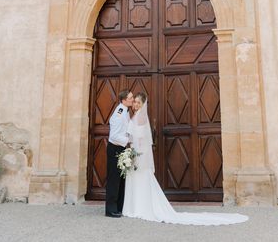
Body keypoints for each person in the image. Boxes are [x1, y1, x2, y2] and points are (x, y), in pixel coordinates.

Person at [122, 93, 248, 226]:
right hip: (136, 151)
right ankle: (138, 206)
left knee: (140, 178)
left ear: (143, 104)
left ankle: (139, 208)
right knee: (139, 178)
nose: (135, 104)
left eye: (138, 102)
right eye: (134, 102)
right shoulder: (136, 116)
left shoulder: (140, 117)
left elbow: (140, 139)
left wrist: (134, 152)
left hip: (139, 153)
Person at [105, 89, 134, 217]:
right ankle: (110, 209)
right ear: (123, 100)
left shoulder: (126, 111)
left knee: (121, 179)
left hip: (121, 149)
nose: (132, 100)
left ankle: (119, 207)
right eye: (130, 98)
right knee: (114, 180)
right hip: (115, 149)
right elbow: (114, 136)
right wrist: (128, 141)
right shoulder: (119, 113)